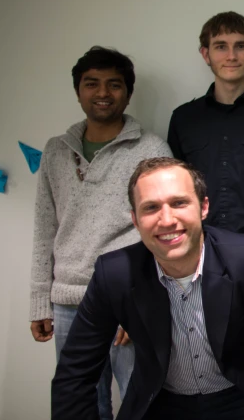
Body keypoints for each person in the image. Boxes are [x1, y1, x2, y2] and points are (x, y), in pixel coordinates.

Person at [52, 157, 244, 420]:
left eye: (179, 203)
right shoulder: (114, 274)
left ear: (203, 207)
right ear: (135, 219)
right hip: (161, 401)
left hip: (241, 397)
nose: (166, 220)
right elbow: (75, 372)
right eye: (151, 208)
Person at [30, 46, 171, 419]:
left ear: (128, 92)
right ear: (78, 91)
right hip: (67, 302)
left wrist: (143, 299)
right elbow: (45, 228)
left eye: (114, 84)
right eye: (92, 84)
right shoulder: (56, 151)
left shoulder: (151, 149)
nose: (103, 93)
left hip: (127, 296)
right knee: (80, 402)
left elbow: (163, 230)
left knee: (141, 399)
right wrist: (39, 299)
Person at [167, 11, 244, 234]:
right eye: (221, 46)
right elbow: (174, 189)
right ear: (205, 54)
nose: (231, 56)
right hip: (198, 245)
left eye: (240, 46)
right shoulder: (184, 119)